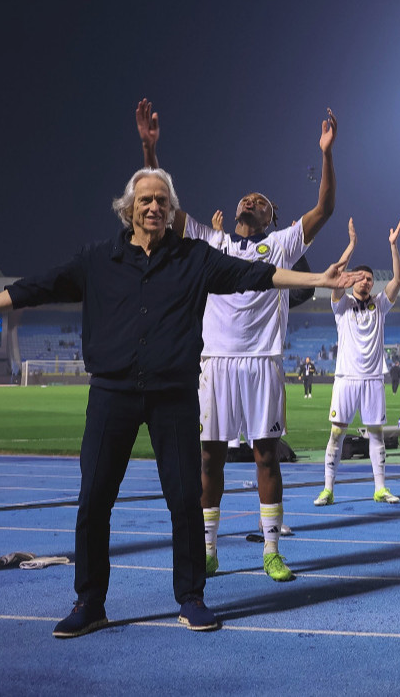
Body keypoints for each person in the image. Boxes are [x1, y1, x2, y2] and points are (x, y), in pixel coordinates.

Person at [0, 167, 364, 636]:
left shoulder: (195, 257)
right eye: (146, 200)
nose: (154, 207)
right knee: (94, 500)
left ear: (171, 212)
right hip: (112, 393)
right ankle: (90, 602)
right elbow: (37, 286)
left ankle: (191, 597)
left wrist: (320, 279)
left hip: (174, 394)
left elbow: (257, 273)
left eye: (162, 201)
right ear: (128, 208)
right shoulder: (97, 259)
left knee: (185, 500)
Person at [137, 99, 338, 583]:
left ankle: (271, 550)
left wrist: (327, 153)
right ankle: (208, 549)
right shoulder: (212, 242)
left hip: (263, 361)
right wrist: (150, 151)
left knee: (267, 454)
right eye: (246, 197)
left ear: (271, 217)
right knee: (210, 457)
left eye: (260, 200)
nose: (250, 201)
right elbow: (164, 208)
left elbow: (325, 208)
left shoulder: (282, 245)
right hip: (216, 363)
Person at [315, 218, 400, 506]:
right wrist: (352, 245)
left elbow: (398, 279)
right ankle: (328, 489)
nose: (366, 281)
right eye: (361, 277)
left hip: (373, 379)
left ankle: (380, 488)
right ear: (353, 280)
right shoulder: (341, 305)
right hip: (346, 378)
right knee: (337, 433)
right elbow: (336, 274)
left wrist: (393, 247)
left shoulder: (380, 304)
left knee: (376, 434)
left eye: (369, 278)